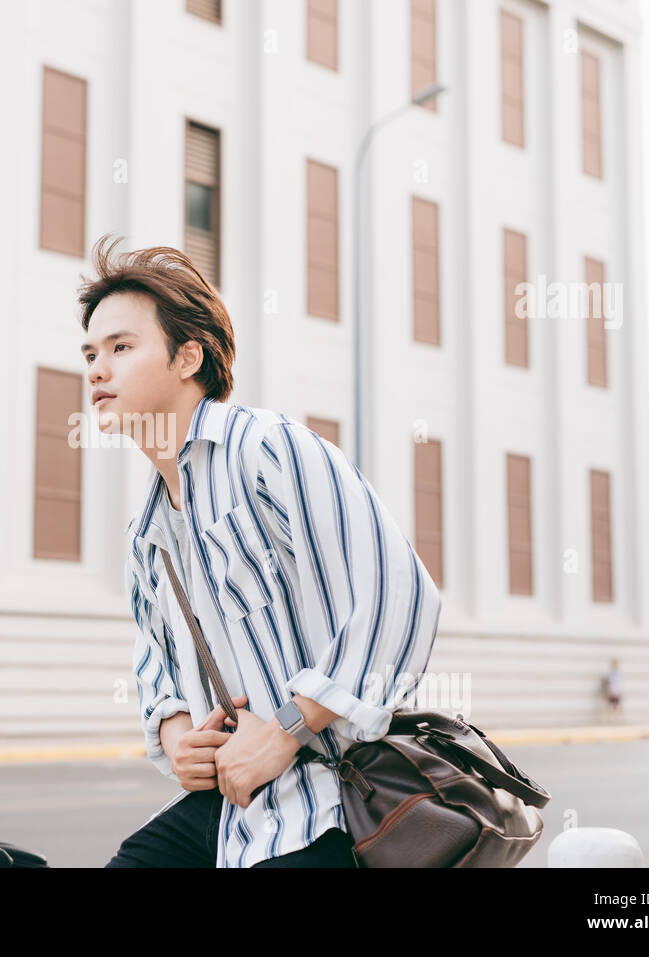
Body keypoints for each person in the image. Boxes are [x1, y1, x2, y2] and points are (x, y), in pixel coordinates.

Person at [77, 236, 443, 868]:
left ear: (187, 357)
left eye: (121, 347)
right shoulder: (147, 525)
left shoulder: (267, 449)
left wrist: (286, 733)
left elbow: (398, 596)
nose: (96, 370)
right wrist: (176, 732)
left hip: (335, 800)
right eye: (90, 352)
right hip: (234, 808)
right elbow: (153, 653)